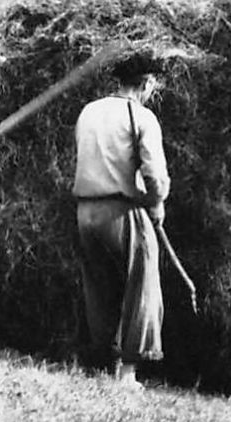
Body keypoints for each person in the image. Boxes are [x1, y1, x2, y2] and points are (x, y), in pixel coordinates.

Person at [72, 53, 170, 388]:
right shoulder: (141, 116)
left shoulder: (89, 111)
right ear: (147, 83)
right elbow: (154, 173)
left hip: (85, 212)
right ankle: (128, 374)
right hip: (121, 211)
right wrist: (156, 203)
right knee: (141, 286)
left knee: (99, 287)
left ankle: (104, 361)